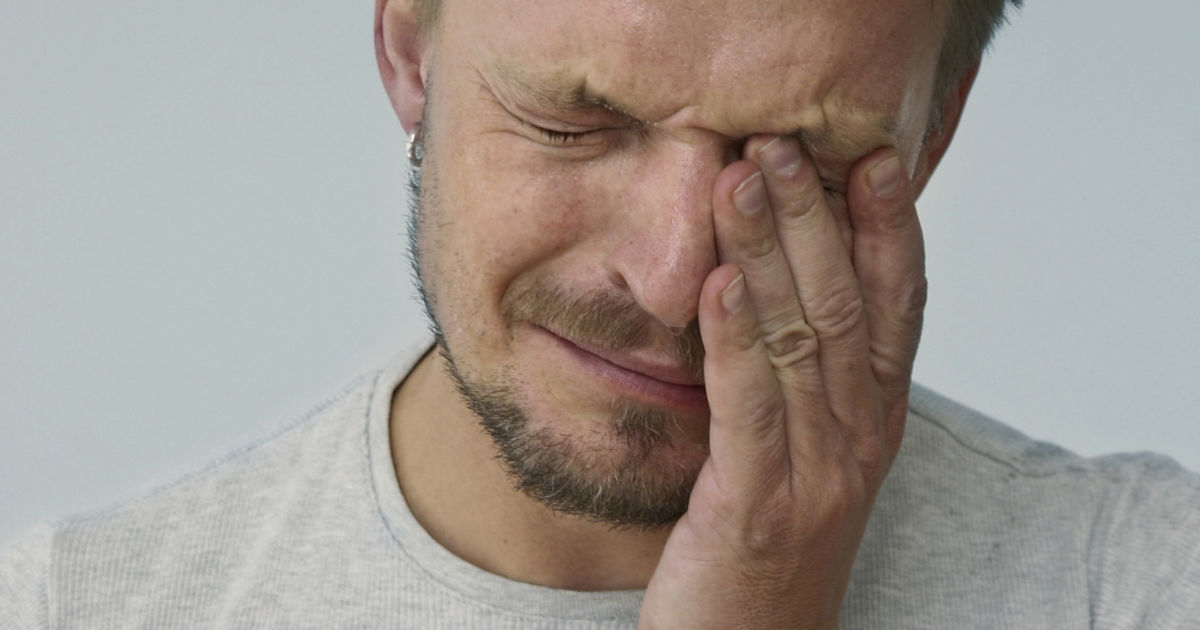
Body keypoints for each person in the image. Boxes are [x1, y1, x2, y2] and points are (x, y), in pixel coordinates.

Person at [2, 0, 1198, 627]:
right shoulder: (73, 608)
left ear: (932, 132)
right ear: (410, 53)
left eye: (802, 159)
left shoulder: (1142, 586)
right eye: (574, 124)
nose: (674, 277)